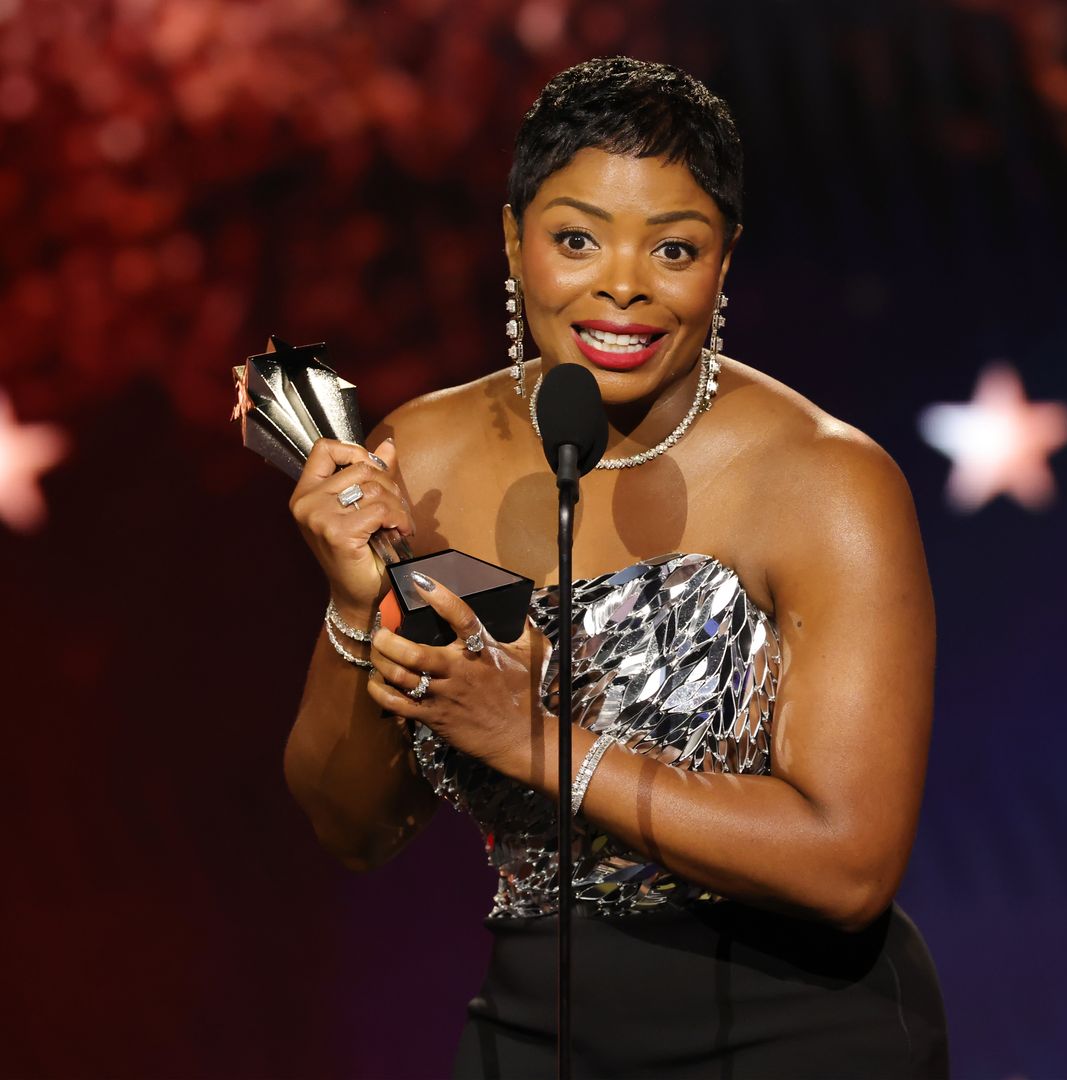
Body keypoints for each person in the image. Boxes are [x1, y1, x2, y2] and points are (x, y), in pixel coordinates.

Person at [283, 57, 949, 1078]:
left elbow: (848, 863)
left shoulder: (825, 483)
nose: (623, 283)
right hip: (536, 1029)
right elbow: (356, 829)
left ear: (724, 260)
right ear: (513, 240)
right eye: (577, 238)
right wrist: (351, 603)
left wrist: (535, 739)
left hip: (800, 1035)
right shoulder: (422, 460)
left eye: (673, 247)